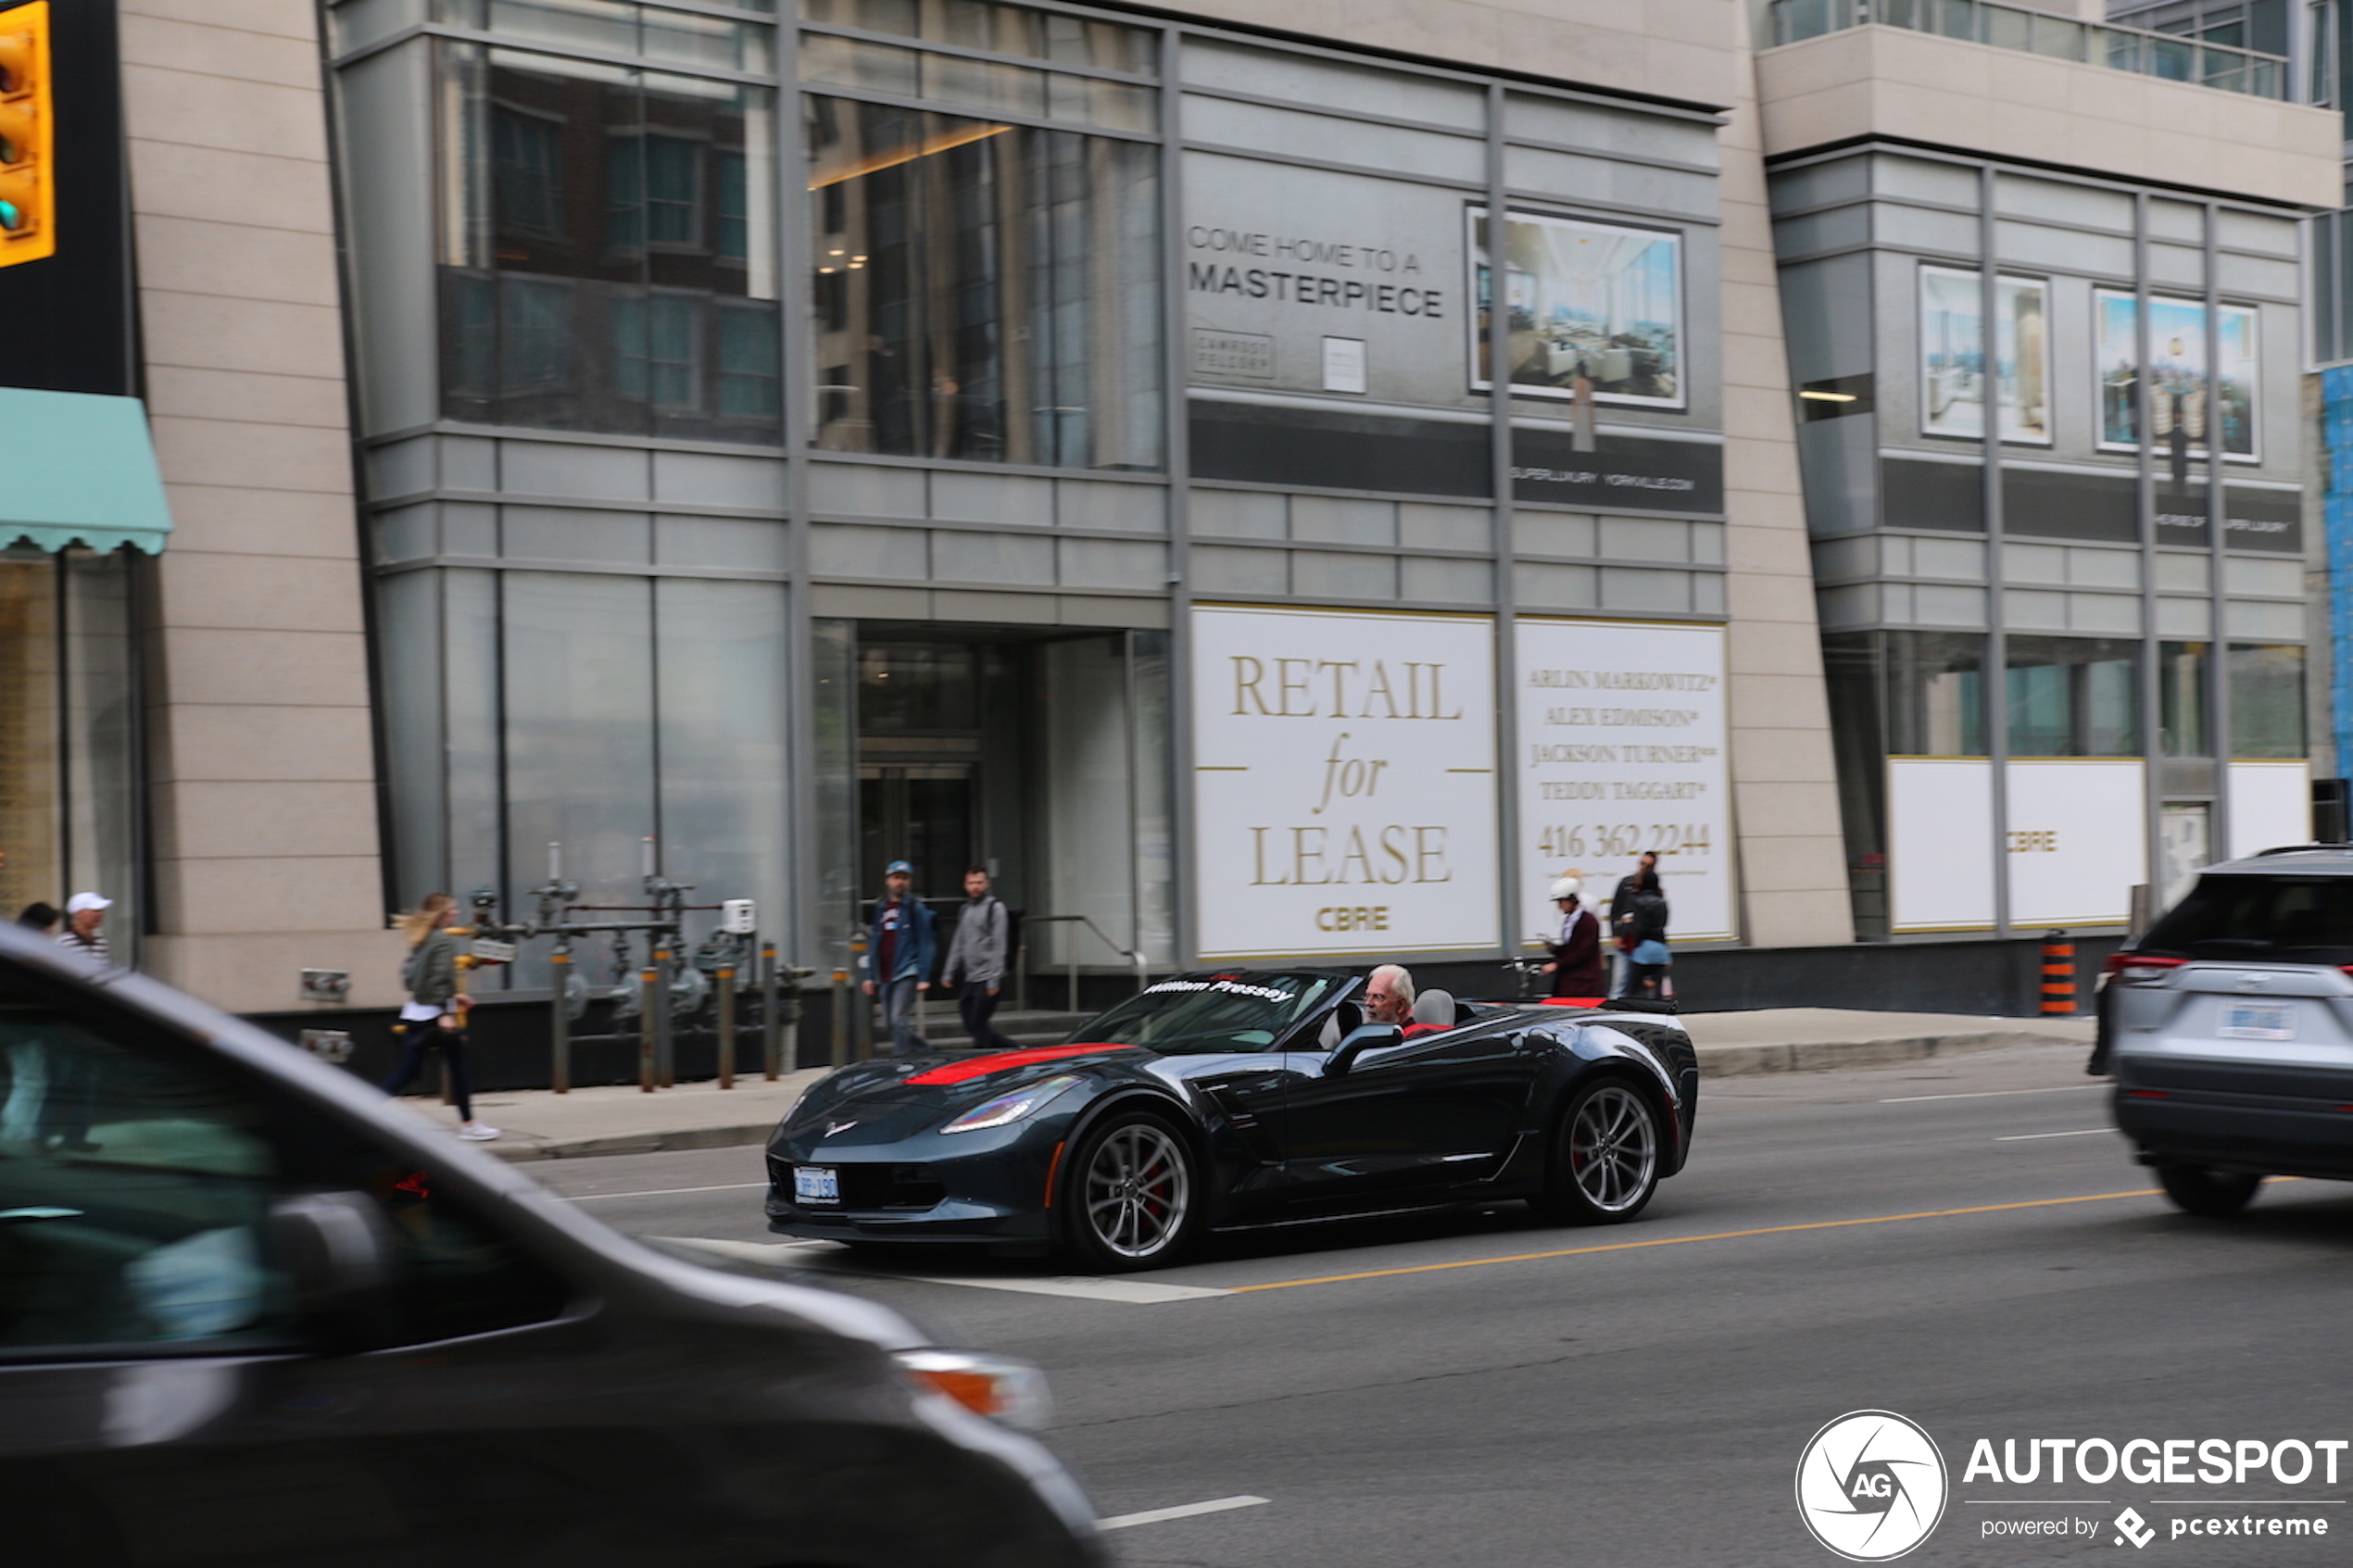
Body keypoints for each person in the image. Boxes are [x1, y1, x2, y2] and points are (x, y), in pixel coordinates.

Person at [379, 892, 498, 1140]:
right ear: (441, 914)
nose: (456, 913)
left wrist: (455, 997)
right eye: (452, 910)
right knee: (459, 1068)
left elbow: (410, 979)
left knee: (410, 1071)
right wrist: (447, 1011)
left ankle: (362, 1108)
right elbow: (441, 979)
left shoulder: (421, 939)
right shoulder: (444, 941)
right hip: (436, 1014)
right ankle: (470, 1126)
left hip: (416, 1012)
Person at [864, 859, 937, 1058]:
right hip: (885, 972)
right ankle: (925, 1049)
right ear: (888, 881)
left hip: (907, 969)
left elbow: (926, 943)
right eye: (896, 878)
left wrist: (923, 976)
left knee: (898, 1019)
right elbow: (874, 944)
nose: (900, 882)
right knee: (890, 1022)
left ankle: (900, 1059)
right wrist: (869, 975)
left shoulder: (915, 908)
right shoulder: (881, 908)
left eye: (904, 878)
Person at [941, 865, 1018, 1053]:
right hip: (970, 977)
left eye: (979, 883)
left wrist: (994, 980)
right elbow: (959, 942)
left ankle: (985, 1060)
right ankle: (1013, 1049)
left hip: (989, 976)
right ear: (965, 885)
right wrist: (948, 973)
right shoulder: (965, 909)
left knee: (978, 1023)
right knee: (971, 1023)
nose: (975, 887)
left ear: (987, 884)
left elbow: (1000, 945)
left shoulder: (995, 908)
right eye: (971, 883)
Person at [1608, 853, 1667, 997]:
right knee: (1620, 983)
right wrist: (1615, 934)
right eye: (1641, 863)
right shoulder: (1626, 884)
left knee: (1644, 984)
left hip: (1643, 943)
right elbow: (1615, 909)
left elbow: (1658, 920)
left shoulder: (1655, 890)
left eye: (1648, 866)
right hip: (1625, 940)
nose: (1643, 868)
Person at [1539, 876, 1606, 997]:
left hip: (1583, 983)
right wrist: (1553, 948)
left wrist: (1556, 965)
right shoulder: (1570, 921)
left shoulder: (1588, 922)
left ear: (1571, 899)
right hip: (1571, 981)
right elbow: (1570, 949)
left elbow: (1582, 952)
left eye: (1561, 902)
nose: (1559, 907)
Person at [55, 892, 110, 969]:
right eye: (95, 910)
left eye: (101, 910)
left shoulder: (100, 942)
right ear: (78, 914)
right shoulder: (65, 942)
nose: (100, 915)